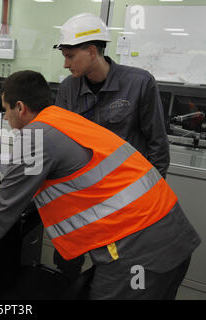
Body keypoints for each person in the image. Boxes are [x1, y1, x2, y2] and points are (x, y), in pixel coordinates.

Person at [0, 70, 200, 299]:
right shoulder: (64, 119)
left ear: (20, 107)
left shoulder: (35, 135)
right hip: (170, 235)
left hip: (140, 250)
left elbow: (9, 201)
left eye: (6, 111)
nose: (6, 120)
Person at [52, 13, 171, 280]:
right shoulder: (68, 89)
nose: (66, 63)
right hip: (81, 200)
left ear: (91, 51)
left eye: (70, 56)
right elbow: (58, 142)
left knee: (117, 270)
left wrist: (149, 200)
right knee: (66, 264)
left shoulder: (139, 83)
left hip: (125, 202)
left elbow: (158, 145)